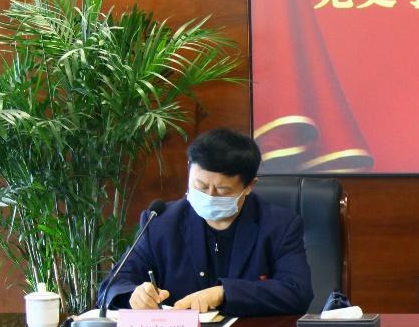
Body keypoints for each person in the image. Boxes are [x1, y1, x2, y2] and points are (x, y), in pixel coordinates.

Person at [97, 127, 313, 316]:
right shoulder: (160, 222)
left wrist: (223, 293)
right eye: (200, 186)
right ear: (189, 169)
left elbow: (297, 292)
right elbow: (112, 286)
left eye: (222, 190)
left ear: (249, 186)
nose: (209, 196)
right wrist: (135, 295)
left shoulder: (279, 226)